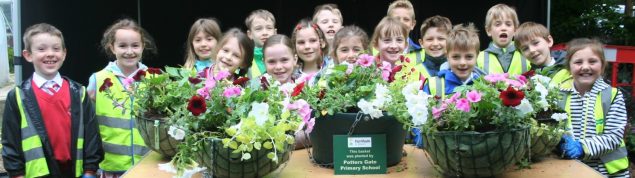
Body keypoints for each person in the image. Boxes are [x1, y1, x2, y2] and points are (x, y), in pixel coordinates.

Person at [2, 23, 104, 178]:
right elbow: (10, 142)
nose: (50, 54)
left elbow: (92, 136)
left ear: (64, 54)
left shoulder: (79, 93)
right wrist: (17, 174)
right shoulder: (17, 96)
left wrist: (90, 170)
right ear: (28, 55)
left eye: (56, 49)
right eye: (41, 49)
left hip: (75, 173)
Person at [87, 18, 157, 177]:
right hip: (111, 167)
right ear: (112, 47)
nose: (129, 51)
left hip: (146, 164)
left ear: (143, 46)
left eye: (135, 45)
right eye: (122, 45)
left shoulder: (154, 79)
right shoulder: (96, 80)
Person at [557, 38, 629, 177]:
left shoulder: (612, 95)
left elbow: (614, 136)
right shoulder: (559, 95)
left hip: (609, 172)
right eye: (578, 62)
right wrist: (558, 141)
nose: (585, 67)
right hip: (571, 168)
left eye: (592, 61)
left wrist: (582, 147)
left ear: (602, 66)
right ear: (569, 68)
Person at [416, 24, 485, 148]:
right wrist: (424, 143)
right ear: (447, 55)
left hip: (477, 152)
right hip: (442, 152)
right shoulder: (434, 85)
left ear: (477, 56)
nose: (462, 62)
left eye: (469, 57)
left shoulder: (485, 86)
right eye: (456, 57)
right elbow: (419, 121)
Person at [475, 4, 530, 75]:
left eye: (508, 24)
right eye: (498, 24)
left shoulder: (526, 53)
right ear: (488, 30)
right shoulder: (478, 58)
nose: (503, 28)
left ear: (515, 30)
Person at [514, 21, 572, 89]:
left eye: (535, 43)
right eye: (525, 48)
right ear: (522, 54)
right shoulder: (526, 81)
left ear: (549, 41)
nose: (532, 50)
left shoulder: (571, 68)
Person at [412, 15, 452, 79]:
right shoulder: (409, 65)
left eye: (441, 38)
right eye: (430, 39)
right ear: (421, 43)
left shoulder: (460, 65)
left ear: (450, 41)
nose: (435, 44)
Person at [291, 18, 330, 85]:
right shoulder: (290, 75)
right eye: (301, 42)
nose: (307, 46)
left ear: (322, 43)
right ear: (294, 46)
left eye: (312, 40)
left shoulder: (332, 69)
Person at [245, 9, 277, 78]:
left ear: (275, 32)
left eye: (269, 28)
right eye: (258, 29)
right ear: (249, 34)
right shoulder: (244, 59)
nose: (265, 33)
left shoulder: (283, 56)